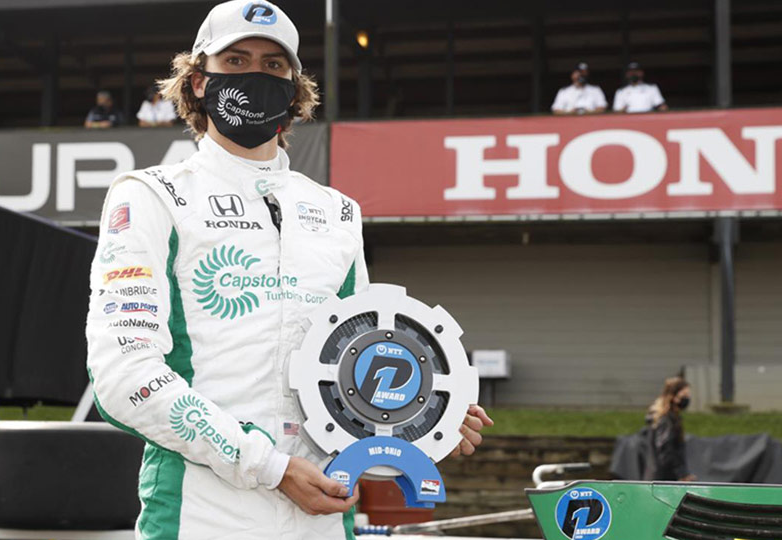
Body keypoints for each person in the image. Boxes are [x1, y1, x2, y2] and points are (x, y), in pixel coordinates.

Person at [85, 1, 493, 539]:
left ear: (295, 89)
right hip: (200, 516)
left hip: (323, 514)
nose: (256, 74)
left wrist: (427, 419)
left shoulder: (339, 212)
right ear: (199, 82)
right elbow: (124, 376)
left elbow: (358, 367)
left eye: (274, 65)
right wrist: (268, 468)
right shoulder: (152, 196)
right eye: (235, 61)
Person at [643, 376, 696, 481]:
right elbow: (666, 451)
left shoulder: (667, 418)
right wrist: (681, 475)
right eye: (684, 395)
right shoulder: (666, 420)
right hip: (664, 480)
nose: (687, 398)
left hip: (658, 477)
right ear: (673, 397)